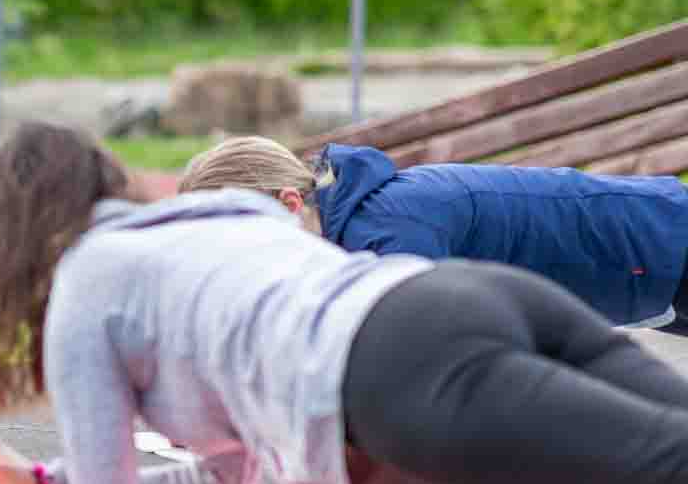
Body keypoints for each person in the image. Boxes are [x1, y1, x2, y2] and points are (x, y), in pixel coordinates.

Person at [0, 120, 688, 484]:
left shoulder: (85, 296)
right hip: (477, 300)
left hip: (402, 365)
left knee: (670, 468)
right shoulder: (216, 221)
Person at [178, 134, 688, 330]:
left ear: (289, 204)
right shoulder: (362, 218)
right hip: (652, 264)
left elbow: (426, 342)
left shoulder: (385, 231)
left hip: (663, 248)